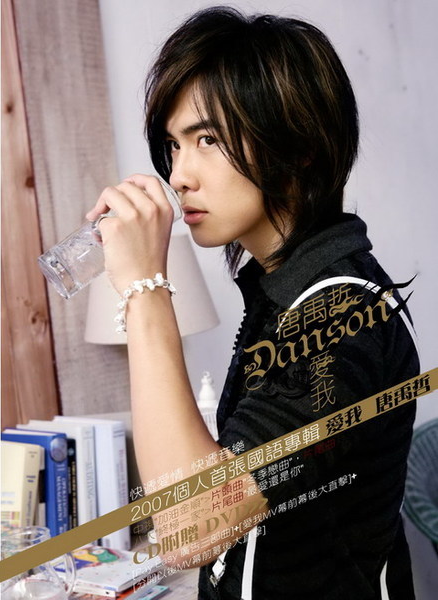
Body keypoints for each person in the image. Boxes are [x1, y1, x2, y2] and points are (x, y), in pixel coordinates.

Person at [86, 7, 419, 599]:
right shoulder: (284, 294)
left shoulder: (343, 315)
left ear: (299, 146)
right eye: (173, 146)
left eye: (208, 140)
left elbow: (191, 528)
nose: (178, 176)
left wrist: (145, 286)